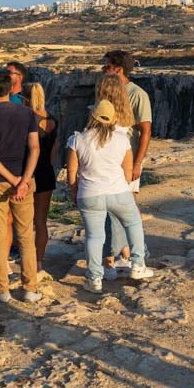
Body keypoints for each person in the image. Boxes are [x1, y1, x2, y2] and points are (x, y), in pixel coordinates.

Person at [66, 99, 154, 293]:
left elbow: (71, 173)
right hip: (117, 191)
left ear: (92, 116)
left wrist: (75, 192)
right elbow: (128, 171)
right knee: (133, 223)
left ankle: (95, 278)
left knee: (94, 236)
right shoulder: (122, 139)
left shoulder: (77, 139)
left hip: (89, 193)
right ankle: (138, 264)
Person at [0, 70, 42, 303]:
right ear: (11, 87)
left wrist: (13, 180)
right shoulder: (27, 114)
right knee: (25, 235)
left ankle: (1, 289)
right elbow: (34, 148)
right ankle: (30, 288)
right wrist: (23, 180)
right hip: (24, 179)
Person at [101, 50, 153, 271]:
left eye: (106, 66)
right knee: (119, 209)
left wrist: (137, 162)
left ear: (118, 69)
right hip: (110, 160)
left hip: (126, 160)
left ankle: (134, 252)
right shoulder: (108, 92)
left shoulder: (137, 94)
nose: (102, 70)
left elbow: (145, 130)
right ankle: (129, 252)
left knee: (126, 208)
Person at [94, 74, 136, 279]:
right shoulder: (125, 114)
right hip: (121, 168)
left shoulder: (101, 113)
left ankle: (108, 261)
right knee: (121, 215)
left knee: (106, 220)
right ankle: (126, 254)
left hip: (103, 172)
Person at [28, 82, 57, 276]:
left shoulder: (28, 119)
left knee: (24, 221)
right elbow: (54, 150)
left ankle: (27, 260)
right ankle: (39, 262)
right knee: (41, 221)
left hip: (30, 173)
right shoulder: (53, 119)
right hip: (47, 171)